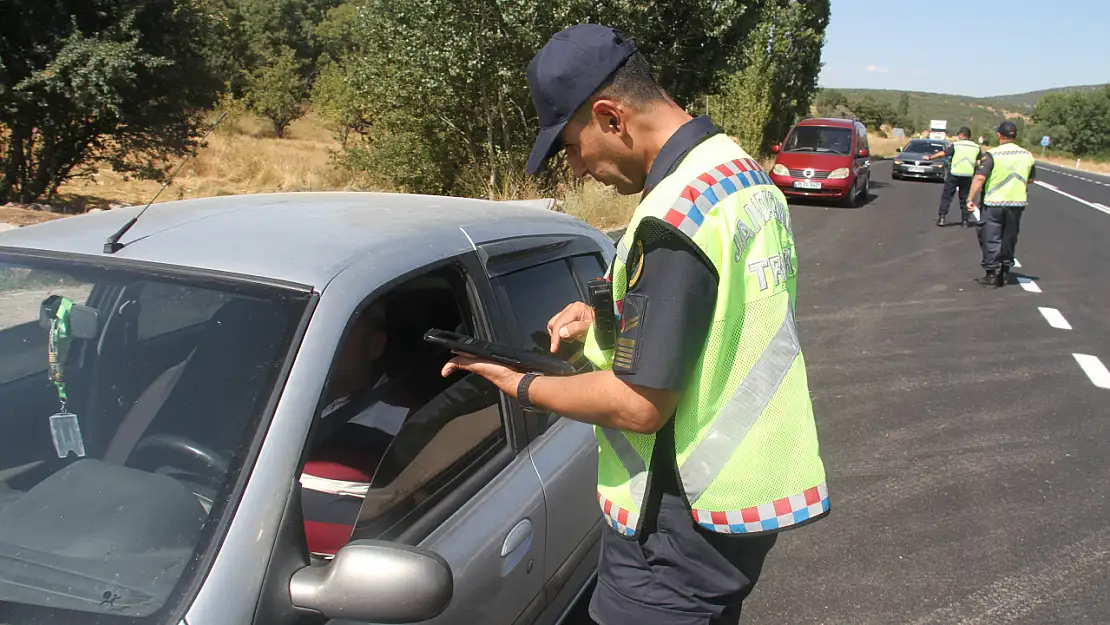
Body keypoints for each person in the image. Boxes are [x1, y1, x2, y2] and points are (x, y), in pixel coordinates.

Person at [441, 24, 829, 624]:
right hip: (734, 500)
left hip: (677, 522)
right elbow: (717, 322)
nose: (575, 170)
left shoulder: (673, 219)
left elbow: (638, 406)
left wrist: (518, 384)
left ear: (610, 116)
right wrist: (605, 325)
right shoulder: (736, 174)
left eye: (571, 147)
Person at [966, 121, 1036, 287]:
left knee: (990, 237)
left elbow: (980, 178)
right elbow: (1031, 179)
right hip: (1016, 203)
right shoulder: (1027, 155)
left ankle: (991, 273)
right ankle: (1004, 272)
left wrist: (970, 198)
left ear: (998, 135)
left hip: (994, 203)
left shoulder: (992, 155)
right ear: (1015, 136)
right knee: (1009, 238)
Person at [924, 126, 981, 227]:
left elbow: (943, 153)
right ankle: (965, 220)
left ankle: (942, 217)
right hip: (967, 174)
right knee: (965, 198)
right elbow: (980, 161)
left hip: (954, 173)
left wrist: (930, 157)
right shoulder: (976, 147)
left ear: (961, 135)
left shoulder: (956, 145)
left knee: (947, 196)